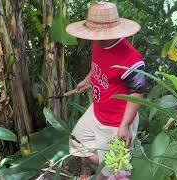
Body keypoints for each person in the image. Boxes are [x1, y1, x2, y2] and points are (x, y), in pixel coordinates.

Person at [66, 2, 147, 180]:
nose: (95, 38)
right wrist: (87, 81)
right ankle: (111, 164)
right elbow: (97, 66)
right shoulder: (99, 44)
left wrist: (124, 125)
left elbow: (138, 91)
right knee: (77, 141)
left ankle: (113, 168)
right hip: (97, 110)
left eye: (99, 34)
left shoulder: (130, 58)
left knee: (114, 171)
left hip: (116, 121)